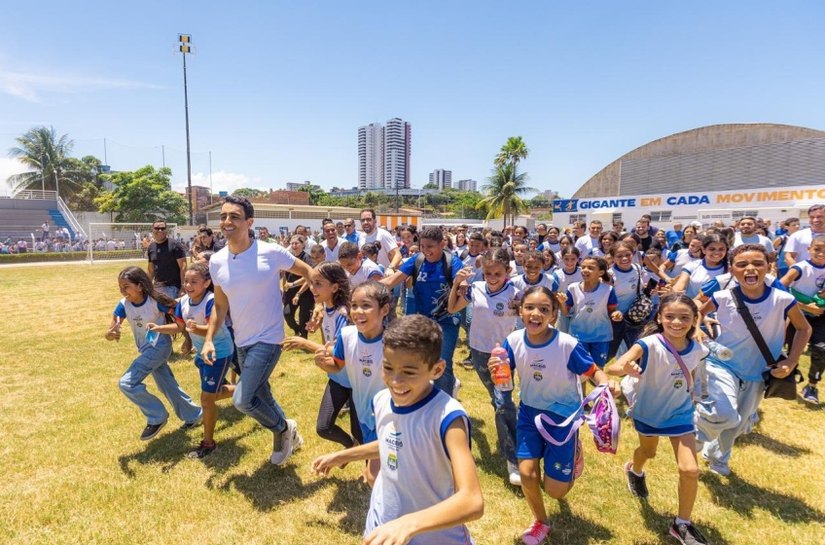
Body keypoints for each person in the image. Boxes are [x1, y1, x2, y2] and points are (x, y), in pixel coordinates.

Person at [311, 314, 483, 545]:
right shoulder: (381, 400)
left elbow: (472, 500)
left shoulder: (448, 418)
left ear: (438, 369)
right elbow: (393, 440)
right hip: (381, 525)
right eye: (388, 367)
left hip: (433, 536)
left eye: (409, 372)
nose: (395, 380)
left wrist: (409, 523)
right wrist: (343, 456)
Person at [491, 286, 614, 545]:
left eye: (544, 309)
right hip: (529, 415)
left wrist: (605, 385)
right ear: (520, 311)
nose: (535, 314)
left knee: (556, 491)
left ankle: (573, 454)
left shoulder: (567, 345)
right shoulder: (512, 340)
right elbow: (504, 373)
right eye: (530, 308)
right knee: (526, 473)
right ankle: (540, 522)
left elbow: (593, 371)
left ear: (554, 315)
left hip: (563, 420)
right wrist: (497, 368)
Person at [201, 195, 314, 466]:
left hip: (270, 338)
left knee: (242, 399)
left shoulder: (270, 252)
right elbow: (219, 304)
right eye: (224, 216)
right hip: (242, 339)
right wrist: (208, 339)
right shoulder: (216, 261)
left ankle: (282, 429)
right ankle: (289, 430)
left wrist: (320, 306)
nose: (227, 222)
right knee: (261, 394)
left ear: (249, 222)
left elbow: (309, 271)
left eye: (235, 217)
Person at [695, 244, 811, 476]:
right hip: (723, 364)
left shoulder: (783, 299)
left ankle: (718, 457)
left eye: (758, 263)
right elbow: (699, 312)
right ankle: (695, 435)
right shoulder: (722, 296)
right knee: (725, 412)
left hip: (758, 371)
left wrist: (791, 362)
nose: (750, 269)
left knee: (739, 424)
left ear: (769, 267)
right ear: (732, 269)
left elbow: (803, 329)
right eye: (742, 264)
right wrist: (697, 327)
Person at [607, 293, 711, 545]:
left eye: (684, 317)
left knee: (690, 470)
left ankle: (681, 524)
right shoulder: (649, 344)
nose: (677, 322)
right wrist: (626, 369)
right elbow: (614, 367)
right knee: (648, 452)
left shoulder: (699, 349)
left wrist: (701, 395)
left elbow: (696, 374)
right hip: (649, 413)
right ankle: (635, 470)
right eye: (670, 316)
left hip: (680, 414)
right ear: (660, 318)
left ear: (694, 320)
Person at [146, 263, 235, 458]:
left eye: (194, 281)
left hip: (218, 353)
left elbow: (216, 327)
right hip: (202, 354)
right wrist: (158, 329)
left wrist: (195, 329)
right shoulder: (183, 303)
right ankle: (248, 390)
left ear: (207, 283)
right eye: (186, 281)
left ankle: (208, 443)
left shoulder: (212, 301)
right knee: (213, 394)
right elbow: (180, 327)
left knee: (206, 399)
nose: (188, 285)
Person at [447, 248, 521, 486]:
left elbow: (532, 318)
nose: (491, 276)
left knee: (502, 402)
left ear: (507, 272)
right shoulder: (475, 289)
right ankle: (509, 430)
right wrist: (456, 284)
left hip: (504, 356)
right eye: (487, 272)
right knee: (498, 399)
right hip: (479, 353)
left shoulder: (516, 294)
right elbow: (452, 308)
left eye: (497, 272)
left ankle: (514, 460)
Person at [105, 266, 202, 442]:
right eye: (120, 287)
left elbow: (179, 320)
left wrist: (187, 340)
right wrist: (111, 334)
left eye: (126, 286)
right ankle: (194, 414)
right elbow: (110, 331)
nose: (122, 290)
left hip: (159, 347)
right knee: (167, 384)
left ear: (140, 286)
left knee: (127, 383)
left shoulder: (155, 302)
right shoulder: (123, 305)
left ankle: (156, 417)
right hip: (146, 348)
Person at [281, 263, 359, 448]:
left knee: (361, 433)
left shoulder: (344, 314)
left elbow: (339, 351)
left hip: (356, 383)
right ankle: (351, 448)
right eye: (311, 282)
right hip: (337, 378)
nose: (312, 288)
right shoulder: (326, 308)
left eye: (318, 284)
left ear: (334, 287)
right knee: (324, 428)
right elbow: (328, 344)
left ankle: (368, 467)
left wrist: (304, 343)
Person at [382, 226, 464, 397]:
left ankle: (445, 404)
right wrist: (366, 289)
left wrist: (462, 284)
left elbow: (461, 284)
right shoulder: (417, 260)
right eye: (422, 246)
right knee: (424, 360)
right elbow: (391, 281)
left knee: (443, 362)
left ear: (442, 244)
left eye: (430, 246)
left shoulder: (453, 262)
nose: (426, 251)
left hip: (448, 321)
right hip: (424, 322)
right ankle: (444, 387)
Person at [780, 235, 825, 405]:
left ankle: (812, 385)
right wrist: (805, 307)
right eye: (817, 249)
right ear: (809, 250)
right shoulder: (800, 268)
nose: (821, 253)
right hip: (796, 315)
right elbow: (779, 286)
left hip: (820, 316)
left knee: (821, 349)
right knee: (792, 351)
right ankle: (788, 379)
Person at [563, 256, 622, 368]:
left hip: (601, 335)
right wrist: (561, 302)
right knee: (581, 369)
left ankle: (599, 386)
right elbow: (566, 313)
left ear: (600, 272)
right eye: (583, 267)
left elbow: (612, 311)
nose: (585, 270)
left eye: (590, 268)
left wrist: (616, 314)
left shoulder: (608, 290)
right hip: (578, 335)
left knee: (598, 368)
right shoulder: (572, 288)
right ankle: (582, 386)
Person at [147, 219, 191, 354]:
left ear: (166, 230)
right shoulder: (151, 247)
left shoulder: (175, 245)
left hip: (172, 287)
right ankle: (155, 347)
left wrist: (183, 288)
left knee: (175, 317)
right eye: (157, 228)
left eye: (162, 228)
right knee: (154, 318)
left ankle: (188, 341)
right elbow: (151, 268)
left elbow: (183, 266)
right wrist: (146, 287)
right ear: (152, 230)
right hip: (157, 287)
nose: (160, 231)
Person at [672, 234, 729, 298]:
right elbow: (680, 285)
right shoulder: (692, 266)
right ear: (703, 250)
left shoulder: (732, 269)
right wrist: (674, 291)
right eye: (712, 249)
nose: (716, 252)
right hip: (693, 306)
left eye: (721, 249)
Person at [282, 235, 314, 339]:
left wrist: (297, 291)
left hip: (305, 292)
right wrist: (285, 287)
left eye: (296, 243)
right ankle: (297, 330)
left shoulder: (307, 258)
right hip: (290, 292)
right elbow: (284, 275)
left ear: (303, 245)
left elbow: (309, 276)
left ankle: (304, 338)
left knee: (303, 317)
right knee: (287, 314)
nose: (294, 246)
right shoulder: (288, 257)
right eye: (292, 243)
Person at [552, 247, 582, 334]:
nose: (569, 262)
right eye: (566, 259)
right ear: (562, 258)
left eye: (573, 259)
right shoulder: (557, 274)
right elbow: (554, 293)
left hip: (579, 310)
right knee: (562, 335)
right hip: (562, 311)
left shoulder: (582, 272)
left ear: (578, 258)